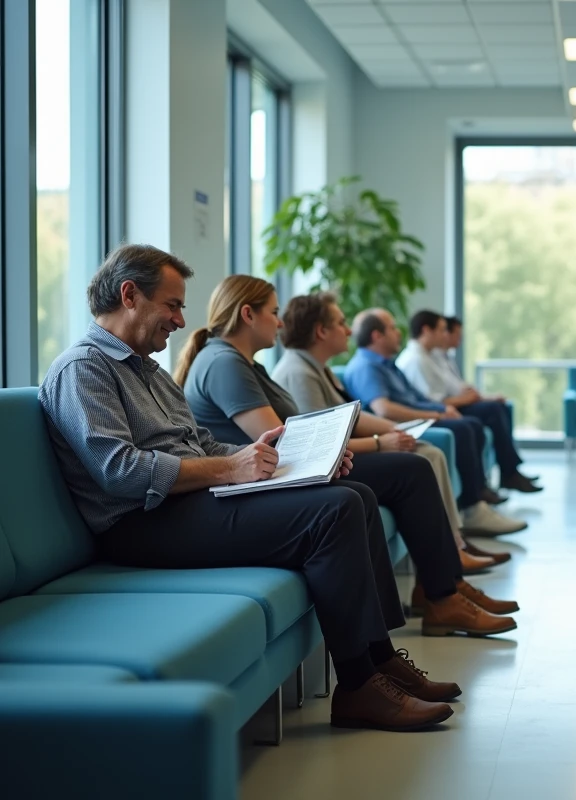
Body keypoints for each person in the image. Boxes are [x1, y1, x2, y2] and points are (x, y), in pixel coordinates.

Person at [39, 244, 462, 732]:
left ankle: (380, 660)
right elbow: (120, 471)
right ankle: (358, 685)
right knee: (334, 512)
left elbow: (199, 442)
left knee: (356, 496)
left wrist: (272, 455)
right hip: (140, 522)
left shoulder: (148, 370)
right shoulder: (82, 369)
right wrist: (228, 469)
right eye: (172, 305)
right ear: (129, 295)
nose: (180, 320)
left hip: (190, 502)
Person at [174, 276, 519, 637]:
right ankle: (440, 598)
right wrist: (379, 444)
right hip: (270, 478)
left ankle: (443, 592)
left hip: (282, 472)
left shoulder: (242, 363)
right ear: (247, 314)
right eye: (274, 313)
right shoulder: (224, 363)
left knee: (410, 470)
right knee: (409, 472)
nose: (279, 322)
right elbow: (283, 443)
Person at [273, 294, 519, 556]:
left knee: (430, 451)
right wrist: (381, 442)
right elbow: (323, 445)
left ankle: (454, 544)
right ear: (321, 331)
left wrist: (395, 430)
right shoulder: (300, 373)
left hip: (343, 455)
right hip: (329, 467)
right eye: (341, 323)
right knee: (420, 462)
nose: (348, 331)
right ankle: (451, 554)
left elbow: (351, 416)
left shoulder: (320, 368)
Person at [342, 308, 516, 515]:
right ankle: (474, 506)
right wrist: (436, 415)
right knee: (464, 427)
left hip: (413, 418)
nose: (399, 332)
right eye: (392, 328)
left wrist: (443, 408)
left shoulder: (388, 365)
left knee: (472, 422)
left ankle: (478, 499)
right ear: (376, 335)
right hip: (396, 425)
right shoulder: (366, 367)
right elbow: (384, 409)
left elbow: (419, 398)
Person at [398, 310, 540, 493]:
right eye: (442, 330)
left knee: (497, 407)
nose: (446, 335)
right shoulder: (416, 360)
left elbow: (451, 388)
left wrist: (474, 396)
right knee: (486, 414)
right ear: (426, 330)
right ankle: (496, 481)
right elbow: (431, 399)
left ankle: (506, 474)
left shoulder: (432, 357)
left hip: (445, 405)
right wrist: (456, 403)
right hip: (440, 408)